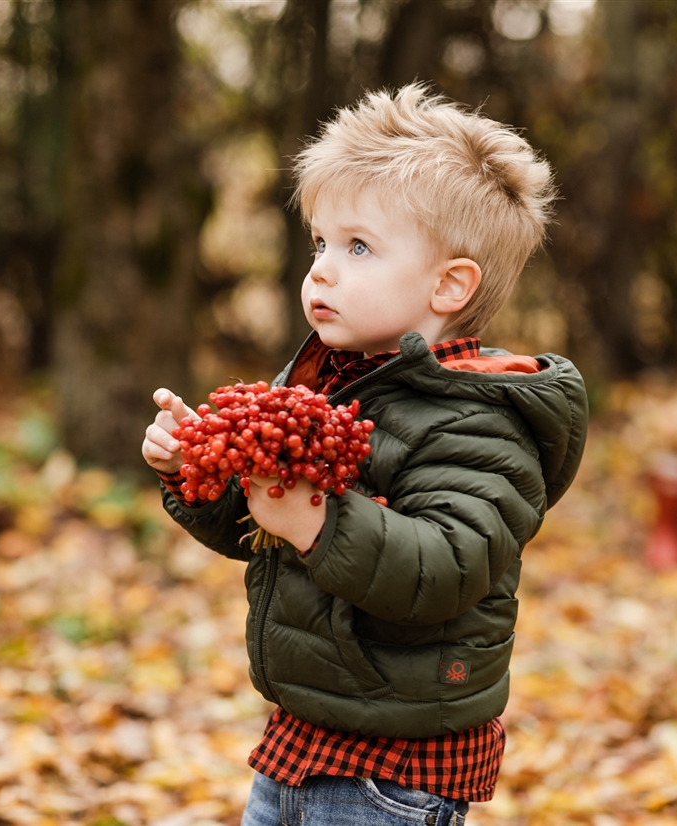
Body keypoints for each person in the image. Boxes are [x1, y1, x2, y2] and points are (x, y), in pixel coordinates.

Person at [141, 84, 588, 826]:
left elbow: (444, 567)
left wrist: (315, 521)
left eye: (358, 247)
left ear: (449, 285)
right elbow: (263, 532)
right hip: (302, 736)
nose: (320, 268)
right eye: (320, 242)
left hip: (395, 772)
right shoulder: (326, 384)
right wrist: (194, 472)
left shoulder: (479, 420)